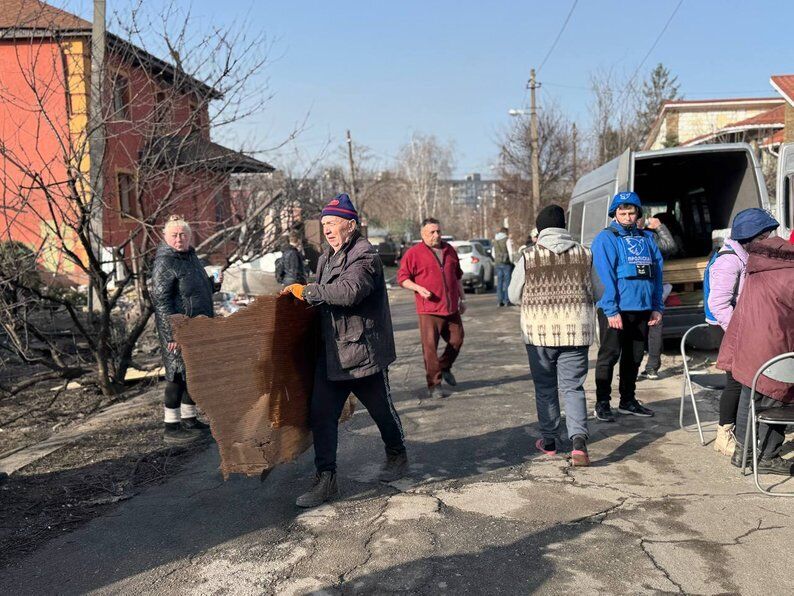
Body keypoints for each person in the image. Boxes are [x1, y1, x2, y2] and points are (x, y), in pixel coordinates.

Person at [282, 194, 407, 508]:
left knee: (381, 412)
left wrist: (308, 291)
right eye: (323, 223)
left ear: (350, 225)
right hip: (332, 353)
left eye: (332, 223)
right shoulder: (326, 257)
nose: (326, 229)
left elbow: (349, 291)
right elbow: (325, 297)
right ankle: (327, 478)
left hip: (363, 355)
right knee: (321, 416)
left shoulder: (365, 256)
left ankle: (396, 453)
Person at [508, 205, 595, 465]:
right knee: (573, 387)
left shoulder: (528, 256)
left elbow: (512, 295)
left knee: (545, 388)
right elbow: (600, 291)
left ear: (540, 229)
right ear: (563, 226)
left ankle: (549, 441)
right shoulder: (585, 254)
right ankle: (578, 442)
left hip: (539, 335)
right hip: (576, 333)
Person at [705, 208, 779, 457]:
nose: (766, 242)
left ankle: (746, 431)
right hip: (727, 327)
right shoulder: (728, 261)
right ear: (748, 236)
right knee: (736, 382)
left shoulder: (746, 255)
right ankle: (724, 434)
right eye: (762, 237)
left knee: (748, 381)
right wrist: (740, 331)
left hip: (743, 326)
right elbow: (718, 305)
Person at [717, 234, 793, 475]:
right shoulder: (788, 274)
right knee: (777, 396)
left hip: (748, 346)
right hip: (775, 348)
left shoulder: (755, 270)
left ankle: (743, 452)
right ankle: (769, 456)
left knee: (748, 398)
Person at [592, 192, 664, 421]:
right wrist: (610, 309)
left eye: (631, 213)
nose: (627, 217)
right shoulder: (606, 238)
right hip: (616, 310)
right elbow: (603, 276)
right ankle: (602, 402)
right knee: (610, 355)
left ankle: (628, 400)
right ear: (615, 214)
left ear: (638, 214)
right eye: (622, 213)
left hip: (642, 307)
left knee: (634, 357)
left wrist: (657, 306)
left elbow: (657, 274)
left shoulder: (647, 239)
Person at [151, 215, 220, 444]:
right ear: (165, 237)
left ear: (190, 237)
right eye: (174, 235)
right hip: (178, 331)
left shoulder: (191, 258)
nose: (179, 239)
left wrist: (213, 285)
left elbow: (195, 290)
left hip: (197, 327)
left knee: (193, 373)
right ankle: (171, 427)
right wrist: (173, 334)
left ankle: (190, 420)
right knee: (177, 375)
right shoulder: (165, 262)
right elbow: (161, 302)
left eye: (183, 235)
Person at [398, 217, 466, 399]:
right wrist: (418, 288)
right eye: (432, 232)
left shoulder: (449, 250)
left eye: (438, 231)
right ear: (423, 234)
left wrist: (463, 299)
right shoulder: (414, 253)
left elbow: (457, 277)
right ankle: (434, 385)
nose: (436, 235)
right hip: (429, 309)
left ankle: (444, 366)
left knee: (457, 339)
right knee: (430, 349)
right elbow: (402, 279)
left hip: (451, 308)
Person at [637, 214, 679, 380]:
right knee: (654, 326)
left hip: (632, 291)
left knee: (635, 329)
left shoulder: (619, 238)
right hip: (652, 288)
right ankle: (652, 368)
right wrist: (659, 226)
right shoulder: (649, 237)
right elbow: (670, 246)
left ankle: (632, 370)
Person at [492, 227, 513, 307]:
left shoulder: (495, 240)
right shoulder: (506, 240)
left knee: (499, 282)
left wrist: (497, 259)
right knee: (507, 282)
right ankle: (507, 300)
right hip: (506, 263)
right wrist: (511, 261)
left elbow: (493, 253)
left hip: (498, 263)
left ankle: (500, 301)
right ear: (505, 232)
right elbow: (510, 252)